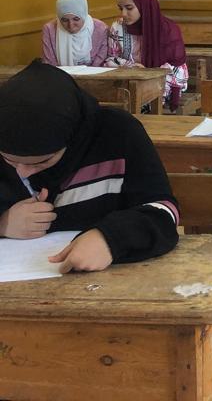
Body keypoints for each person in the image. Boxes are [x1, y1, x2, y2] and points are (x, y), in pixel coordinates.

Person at [0, 60, 179, 271]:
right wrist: (3, 223)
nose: (21, 172)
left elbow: (164, 211)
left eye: (42, 161)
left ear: (72, 138)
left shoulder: (119, 134)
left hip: (113, 283)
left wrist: (111, 239)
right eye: (10, 160)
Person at [105, 0, 188, 111]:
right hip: (128, 79)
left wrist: (149, 73)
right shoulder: (117, 27)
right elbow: (111, 59)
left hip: (160, 79)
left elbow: (178, 66)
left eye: (129, 8)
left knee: (145, 94)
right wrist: (133, 68)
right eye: (121, 8)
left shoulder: (167, 29)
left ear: (143, 6)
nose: (123, 14)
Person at [41, 0, 109, 67]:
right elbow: (49, 65)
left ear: (84, 15)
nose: (71, 25)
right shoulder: (49, 29)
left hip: (96, 74)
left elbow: (100, 63)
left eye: (76, 19)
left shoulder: (100, 29)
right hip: (58, 74)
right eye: (64, 20)